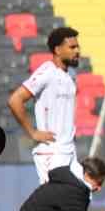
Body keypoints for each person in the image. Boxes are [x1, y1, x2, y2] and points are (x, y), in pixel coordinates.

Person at [8, 26, 83, 183]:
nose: (77, 51)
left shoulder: (71, 74)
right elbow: (15, 100)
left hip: (69, 150)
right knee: (56, 202)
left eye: (78, 46)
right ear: (57, 49)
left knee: (81, 197)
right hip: (52, 152)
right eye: (72, 47)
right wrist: (32, 132)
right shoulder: (47, 73)